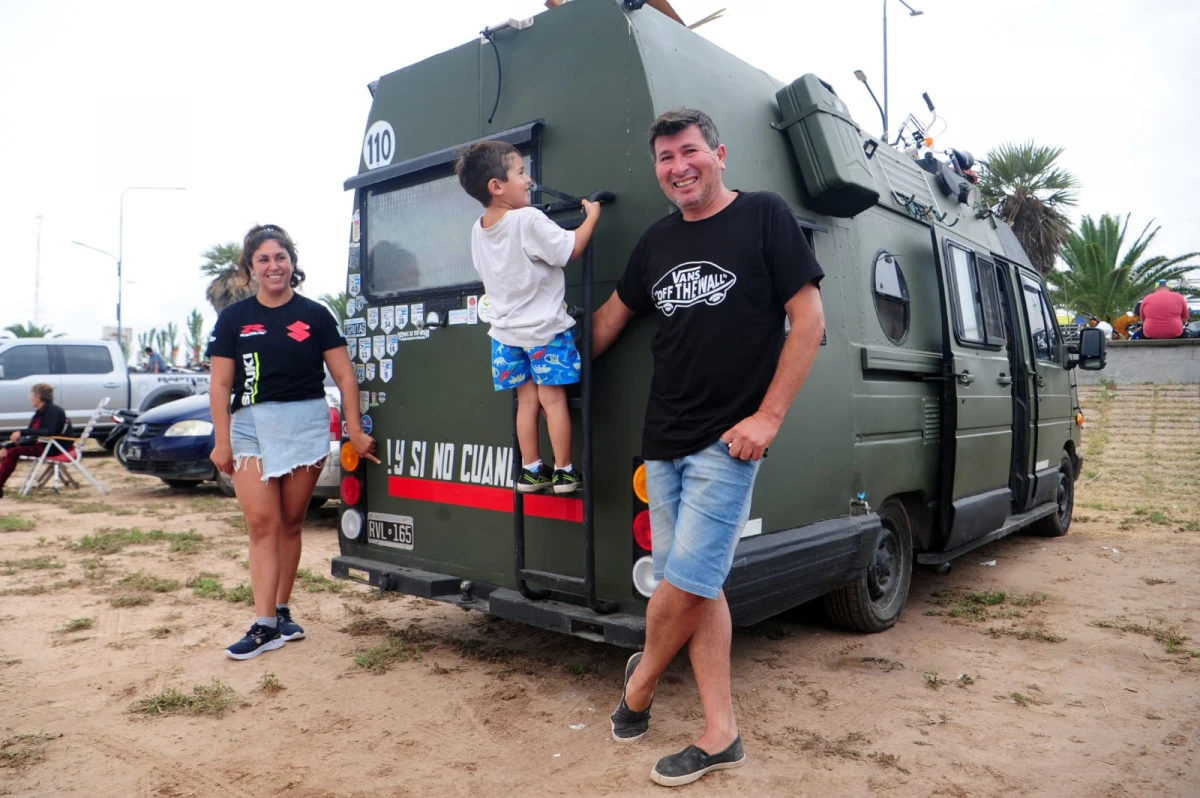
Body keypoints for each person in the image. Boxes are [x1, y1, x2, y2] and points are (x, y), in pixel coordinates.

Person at [591, 109, 825, 787]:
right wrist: (542, 361)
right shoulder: (657, 241)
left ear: (719, 153)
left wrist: (768, 418)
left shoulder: (764, 216)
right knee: (698, 587)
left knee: (686, 582)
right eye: (665, 158)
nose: (678, 166)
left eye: (689, 151)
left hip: (730, 442)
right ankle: (721, 733)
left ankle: (638, 688)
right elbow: (611, 319)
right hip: (661, 440)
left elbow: (807, 323)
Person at [206, 224, 378, 661]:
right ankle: (263, 625)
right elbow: (220, 384)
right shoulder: (233, 320)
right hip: (249, 427)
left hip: (305, 423)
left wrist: (354, 431)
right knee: (262, 524)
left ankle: (281, 611)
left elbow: (343, 376)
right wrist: (221, 441)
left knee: (290, 523)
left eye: (280, 257)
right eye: (263, 259)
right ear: (250, 268)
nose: (273, 266)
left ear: (291, 262)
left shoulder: (316, 315)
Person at [453, 140, 600, 494]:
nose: (528, 180)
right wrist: (592, 215)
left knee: (526, 401)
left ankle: (531, 470)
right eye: (520, 172)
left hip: (504, 336)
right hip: (544, 332)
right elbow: (571, 248)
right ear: (496, 186)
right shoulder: (528, 219)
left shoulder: (478, 230)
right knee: (554, 400)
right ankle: (564, 471)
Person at [0, 384, 70, 499]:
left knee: (13, 452)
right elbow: (31, 436)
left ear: (38, 396)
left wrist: (22, 432)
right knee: (8, 450)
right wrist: (7, 446)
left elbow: (48, 431)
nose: (30, 398)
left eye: (31, 395)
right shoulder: (39, 413)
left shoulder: (53, 411)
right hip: (43, 444)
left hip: (53, 447)